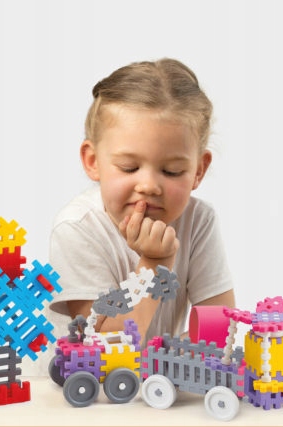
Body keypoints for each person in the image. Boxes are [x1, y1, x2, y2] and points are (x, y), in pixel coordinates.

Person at [48, 58, 235, 343]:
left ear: (198, 170)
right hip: (91, 371)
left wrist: (175, 355)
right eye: (129, 167)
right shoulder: (77, 228)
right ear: (93, 161)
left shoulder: (198, 221)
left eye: (172, 171)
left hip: (158, 371)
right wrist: (154, 264)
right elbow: (106, 342)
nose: (148, 186)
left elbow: (220, 324)